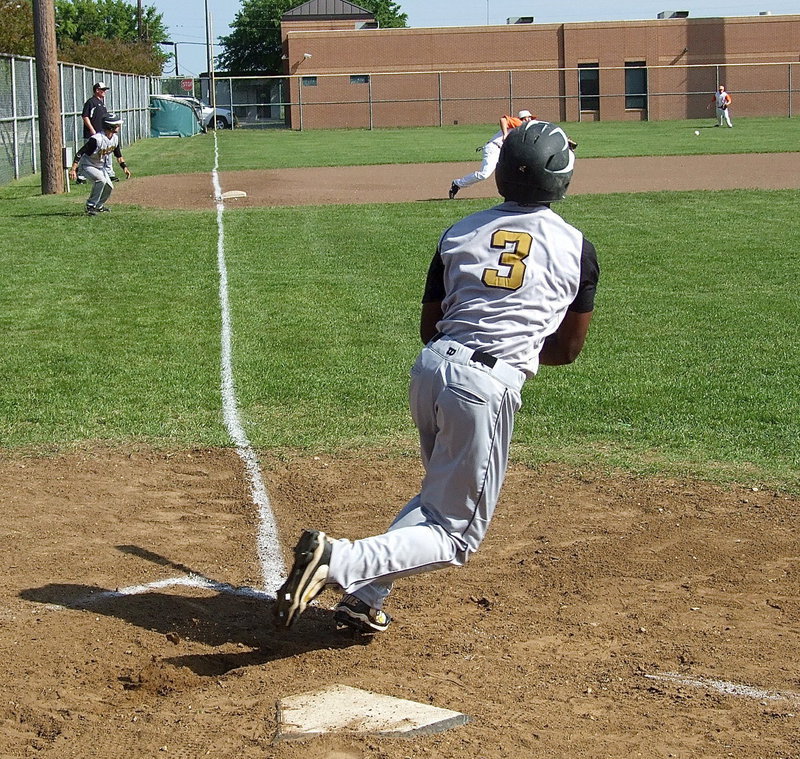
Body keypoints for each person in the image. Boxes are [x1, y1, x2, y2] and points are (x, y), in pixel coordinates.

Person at [275, 120, 599, 635]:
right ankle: (338, 561)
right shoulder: (576, 246)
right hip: (484, 387)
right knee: (455, 537)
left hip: (431, 370)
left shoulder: (459, 230)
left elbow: (430, 326)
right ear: (561, 177)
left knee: (438, 501)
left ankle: (364, 595)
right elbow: (567, 350)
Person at [448, 109, 536, 199]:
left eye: (530, 118)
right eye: (527, 118)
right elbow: (503, 119)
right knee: (484, 174)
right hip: (494, 149)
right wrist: (505, 134)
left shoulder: (524, 130)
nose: (529, 120)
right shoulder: (518, 123)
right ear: (522, 119)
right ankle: (457, 184)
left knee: (517, 169)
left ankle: (518, 194)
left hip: (503, 152)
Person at [69, 113, 131, 216]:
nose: (119, 127)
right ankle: (90, 205)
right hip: (87, 165)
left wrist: (124, 167)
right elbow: (80, 152)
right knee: (100, 180)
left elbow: (118, 155)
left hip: (99, 166)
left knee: (109, 187)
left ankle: (99, 206)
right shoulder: (97, 139)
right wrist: (73, 169)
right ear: (109, 126)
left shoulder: (114, 139)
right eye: (116, 125)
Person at [80, 82, 118, 181]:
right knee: (87, 154)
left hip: (102, 134)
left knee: (105, 154)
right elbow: (85, 116)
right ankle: (81, 176)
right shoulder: (91, 102)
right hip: (92, 134)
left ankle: (109, 173)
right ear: (97, 90)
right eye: (103, 90)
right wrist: (92, 129)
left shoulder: (101, 103)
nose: (105, 92)